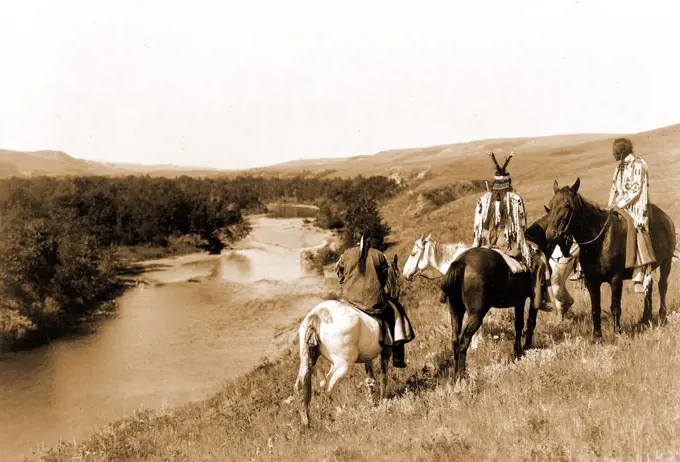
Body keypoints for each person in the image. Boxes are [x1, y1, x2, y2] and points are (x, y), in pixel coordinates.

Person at [472, 151, 554, 312]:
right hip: (507, 244)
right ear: (509, 182)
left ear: (494, 183)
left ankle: (447, 295)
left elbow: (477, 226)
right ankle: (539, 300)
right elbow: (521, 227)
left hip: (485, 242)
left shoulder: (482, 199)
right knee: (539, 262)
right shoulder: (515, 199)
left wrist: (478, 242)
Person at [335, 233, 415, 368]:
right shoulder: (379, 255)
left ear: (355, 239)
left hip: (349, 300)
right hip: (372, 302)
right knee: (395, 313)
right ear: (369, 239)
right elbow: (384, 280)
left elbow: (340, 276)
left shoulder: (346, 254)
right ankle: (397, 356)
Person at [607, 137, 655, 293]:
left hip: (637, 206)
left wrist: (620, 204)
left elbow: (636, 190)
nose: (613, 154)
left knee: (636, 227)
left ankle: (639, 274)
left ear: (621, 152)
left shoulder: (638, 165)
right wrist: (610, 206)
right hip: (621, 205)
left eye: (615, 152)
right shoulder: (619, 168)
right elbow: (614, 188)